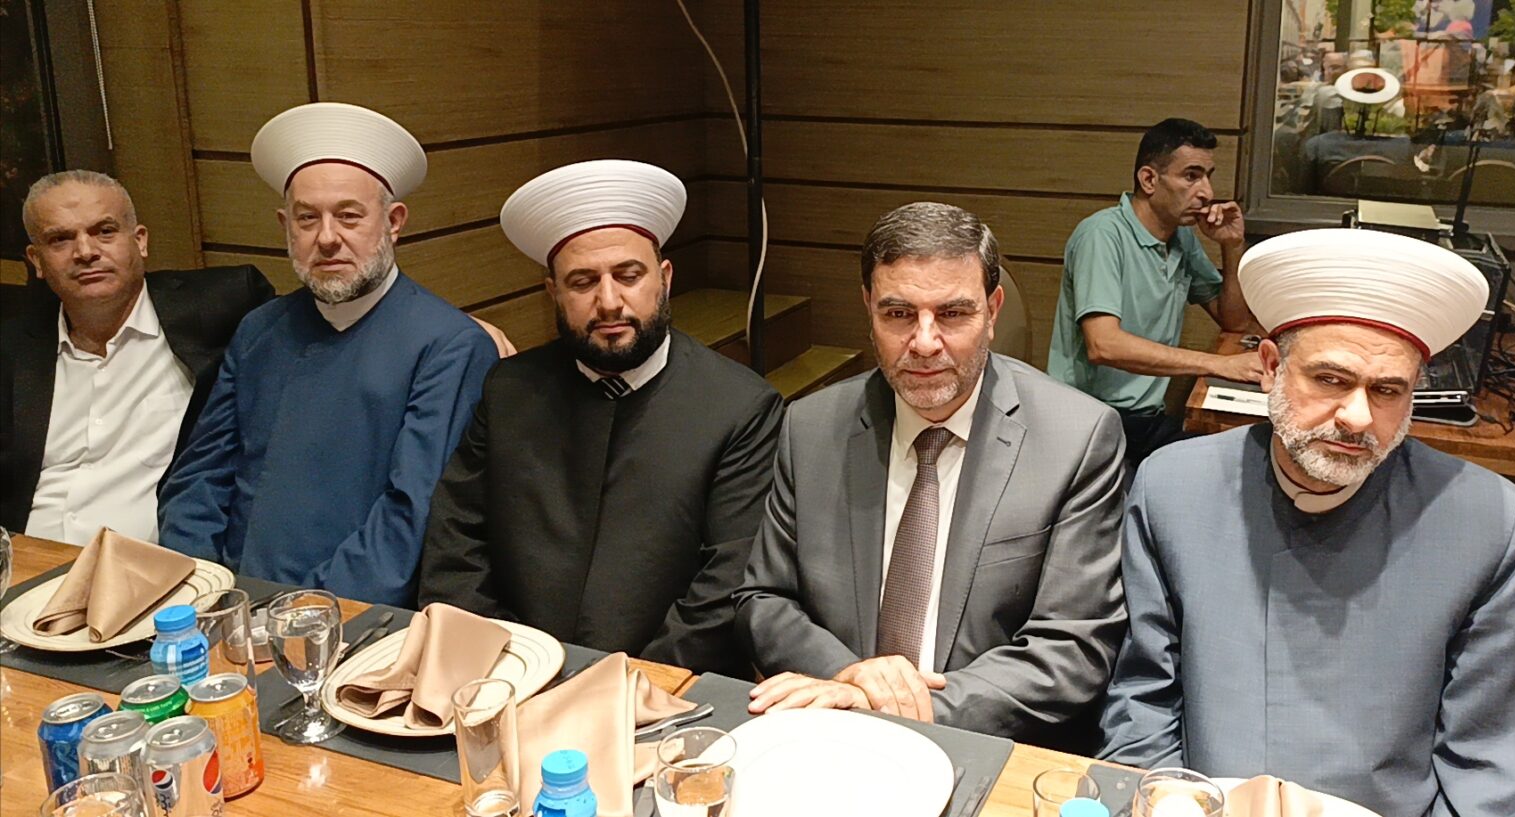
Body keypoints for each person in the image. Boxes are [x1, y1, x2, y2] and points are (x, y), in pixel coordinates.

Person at [1099, 228, 1515, 817]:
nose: (1357, 417)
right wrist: (1167, 801)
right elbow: (1142, 697)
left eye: (1387, 391)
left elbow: (1491, 766)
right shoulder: (1173, 487)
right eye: (1330, 379)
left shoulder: (1490, 523)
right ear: (1270, 367)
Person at [735, 202, 1127, 746]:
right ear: (868, 307)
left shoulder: (1077, 437)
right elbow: (764, 600)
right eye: (898, 314)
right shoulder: (810, 426)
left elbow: (1072, 647)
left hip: (983, 742)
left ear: (992, 310)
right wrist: (848, 678)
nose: (923, 342)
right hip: (830, 728)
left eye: (952, 314)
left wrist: (893, 707)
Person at [417, 160, 784, 677]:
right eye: (583, 282)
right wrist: (506, 667)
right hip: (508, 679)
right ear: (554, 293)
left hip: (666, 692)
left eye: (628, 276)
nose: (609, 302)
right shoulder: (510, 390)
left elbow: (725, 588)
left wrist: (625, 688)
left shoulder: (741, 407)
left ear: (665, 279)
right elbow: (456, 547)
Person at [158, 103, 499, 606]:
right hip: (224, 603)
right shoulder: (259, 329)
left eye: (349, 216)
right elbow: (200, 476)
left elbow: (409, 518)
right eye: (307, 218)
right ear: (285, 226)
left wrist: (302, 614)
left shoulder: (448, 345)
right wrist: (196, 589)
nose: (327, 238)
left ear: (394, 223)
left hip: (348, 614)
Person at [1, 170, 272, 544]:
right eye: (60, 239)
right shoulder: (13, 350)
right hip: (31, 561)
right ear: (37, 260)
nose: (85, 252)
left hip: (155, 563)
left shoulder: (222, 305)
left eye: (104, 231)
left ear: (140, 240)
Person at [1047, 118, 1261, 469]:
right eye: (1191, 176)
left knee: (1236, 459)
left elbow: (1234, 322)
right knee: (1212, 472)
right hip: (1088, 420)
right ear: (1149, 180)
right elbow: (1103, 345)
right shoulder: (1101, 235)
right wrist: (1219, 364)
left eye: (1208, 176)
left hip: (1143, 419)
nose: (1207, 193)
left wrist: (1232, 246)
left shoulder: (1182, 237)